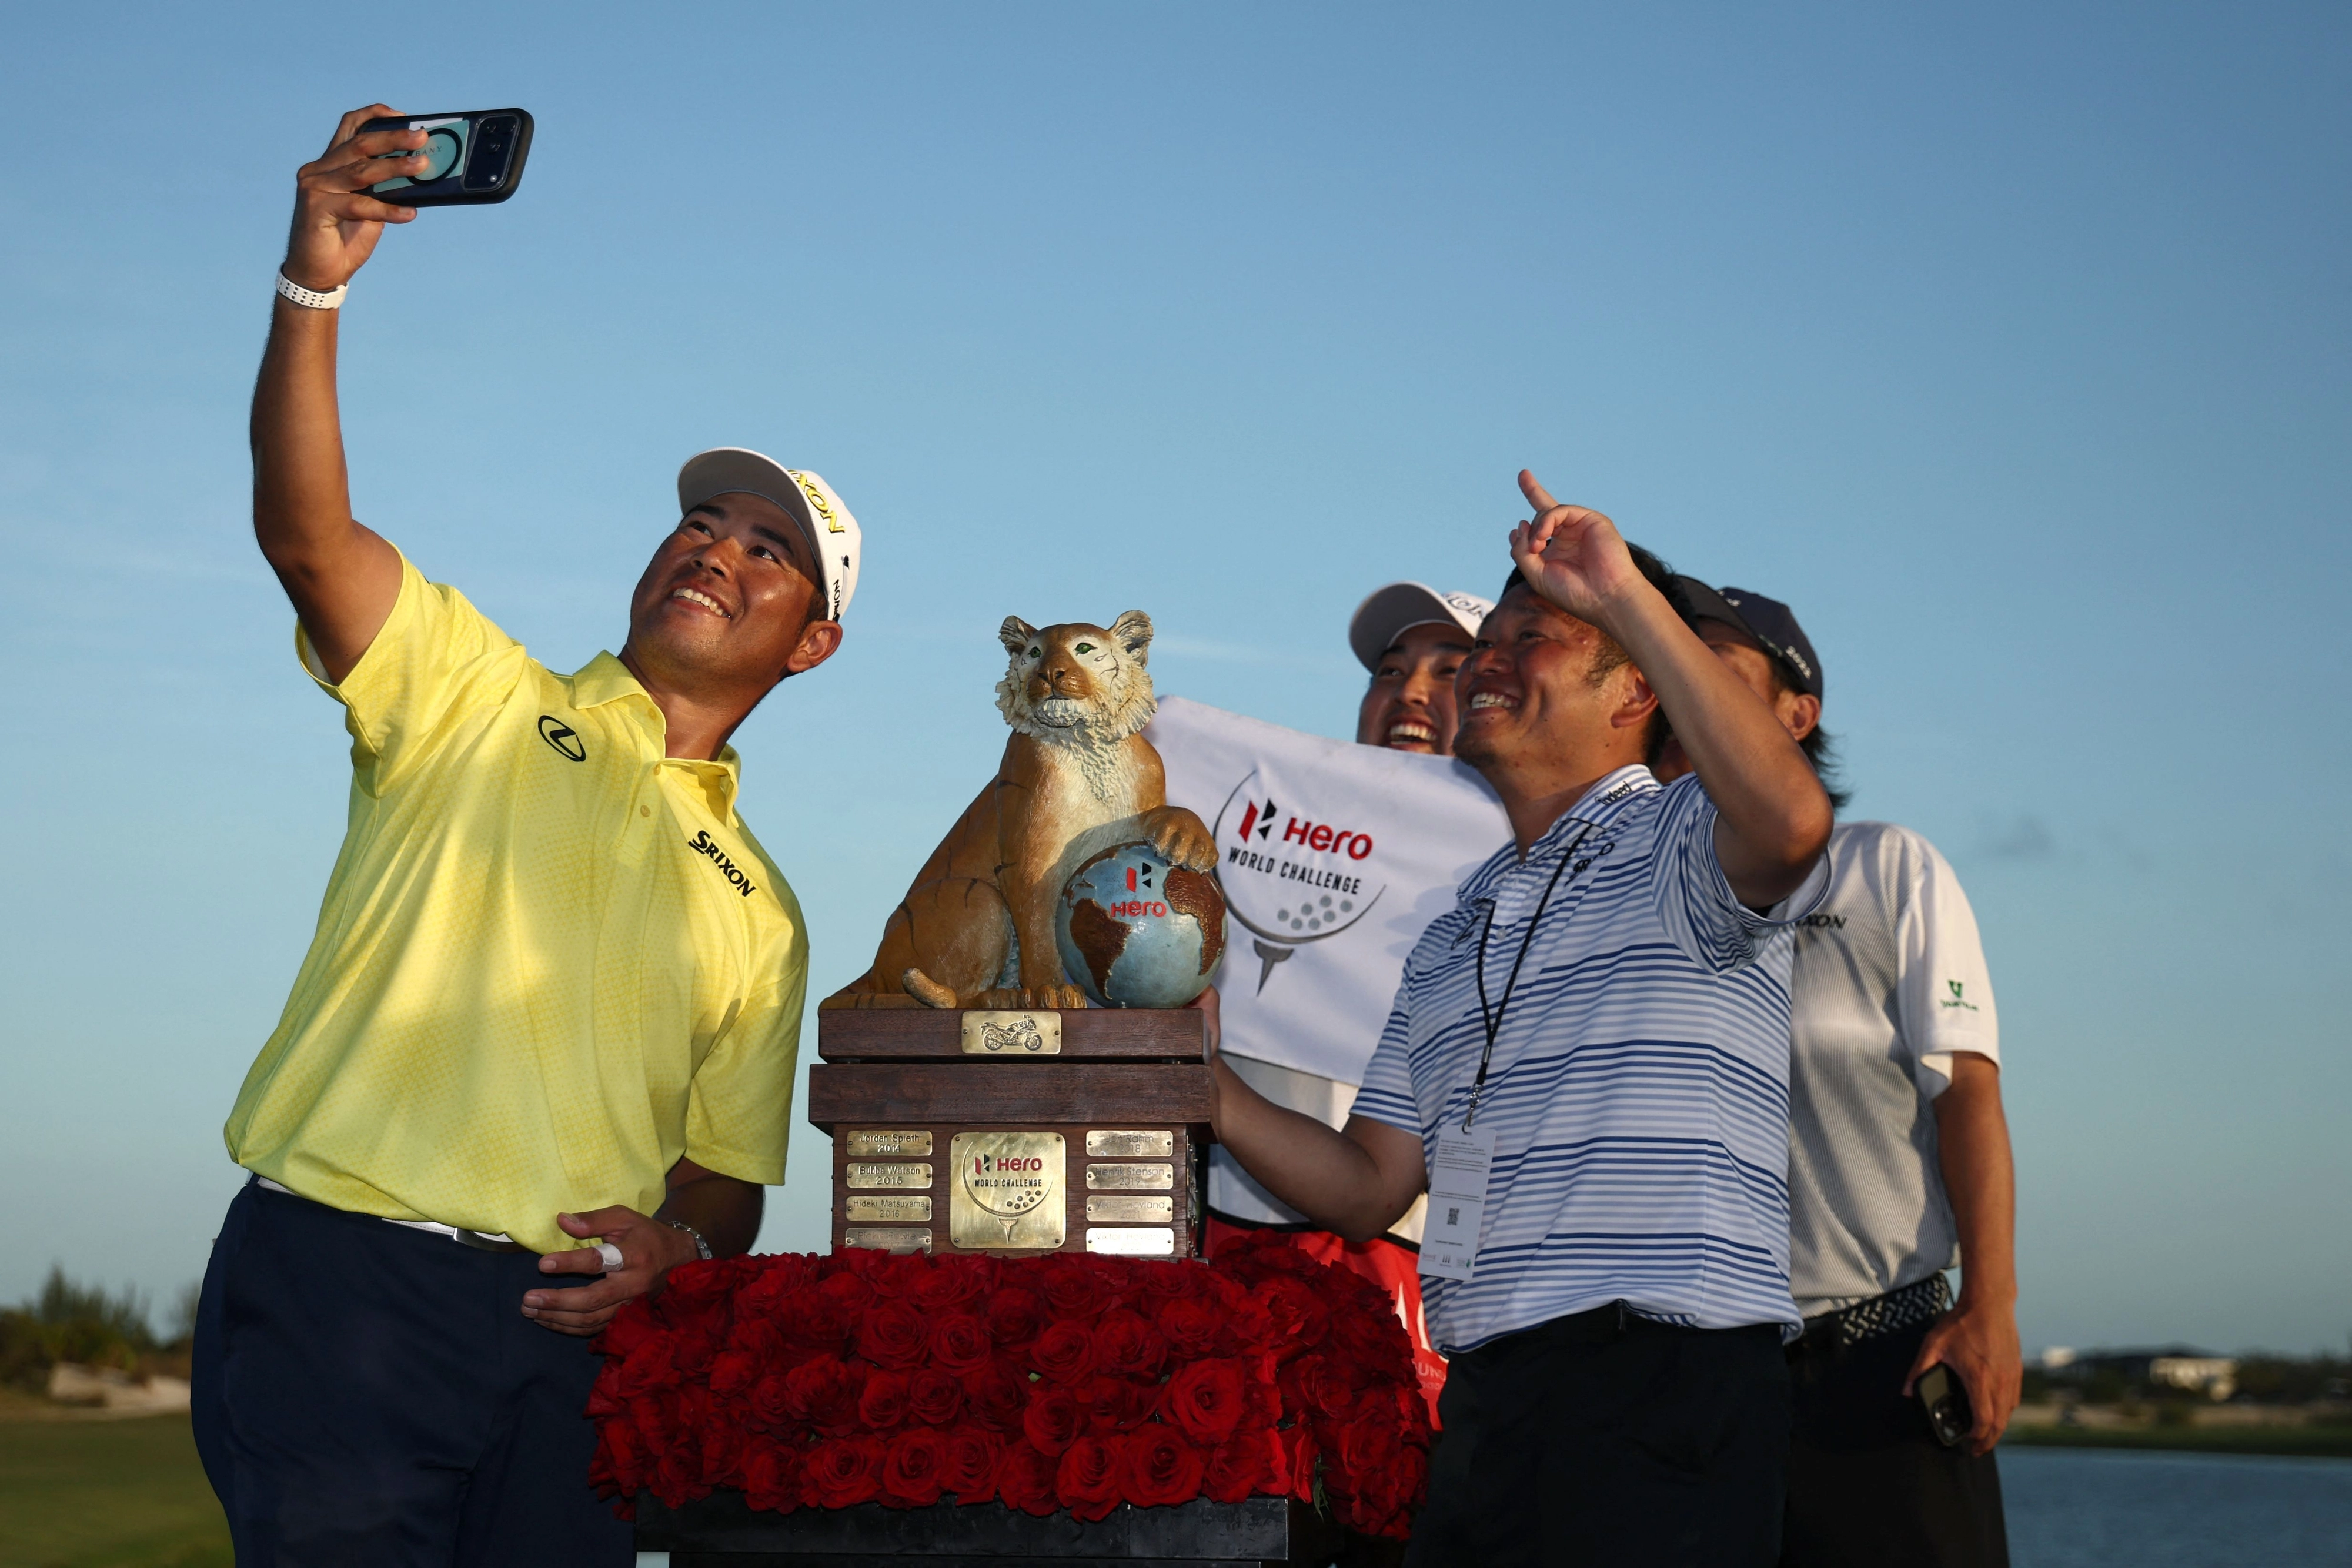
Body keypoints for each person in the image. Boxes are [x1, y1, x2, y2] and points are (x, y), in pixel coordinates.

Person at [190, 107, 856, 1566]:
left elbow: (725, 1178)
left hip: (571, 1341)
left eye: (765, 549)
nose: (713, 548)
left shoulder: (762, 902)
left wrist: (675, 1247)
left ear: (811, 643)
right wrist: (316, 289)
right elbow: (309, 536)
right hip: (344, 1286)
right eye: (700, 522)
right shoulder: (476, 690)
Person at [1205, 472, 1833, 1566]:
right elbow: (1367, 1184)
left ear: (1635, 692)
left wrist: (1625, 590)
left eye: (1529, 635)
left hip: (1661, 1389)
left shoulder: (1682, 838)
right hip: (1490, 1404)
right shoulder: (1457, 931)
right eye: (1486, 635)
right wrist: (1202, 1084)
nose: (1486, 659)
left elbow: (1790, 823)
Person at [1655, 580, 2017, 1568]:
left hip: (1883, 1368)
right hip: (1701, 1395)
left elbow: (1969, 1092)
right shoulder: (1637, 902)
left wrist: (1991, 1307)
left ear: (1797, 712)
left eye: (1719, 669)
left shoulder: (1885, 867)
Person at [1205, 583, 1495, 1424]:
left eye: (1450, 670)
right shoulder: (1257, 847)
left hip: (1418, 1291)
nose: (1408, 689)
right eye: (1391, 669)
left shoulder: (1524, 891)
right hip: (1238, 1259)